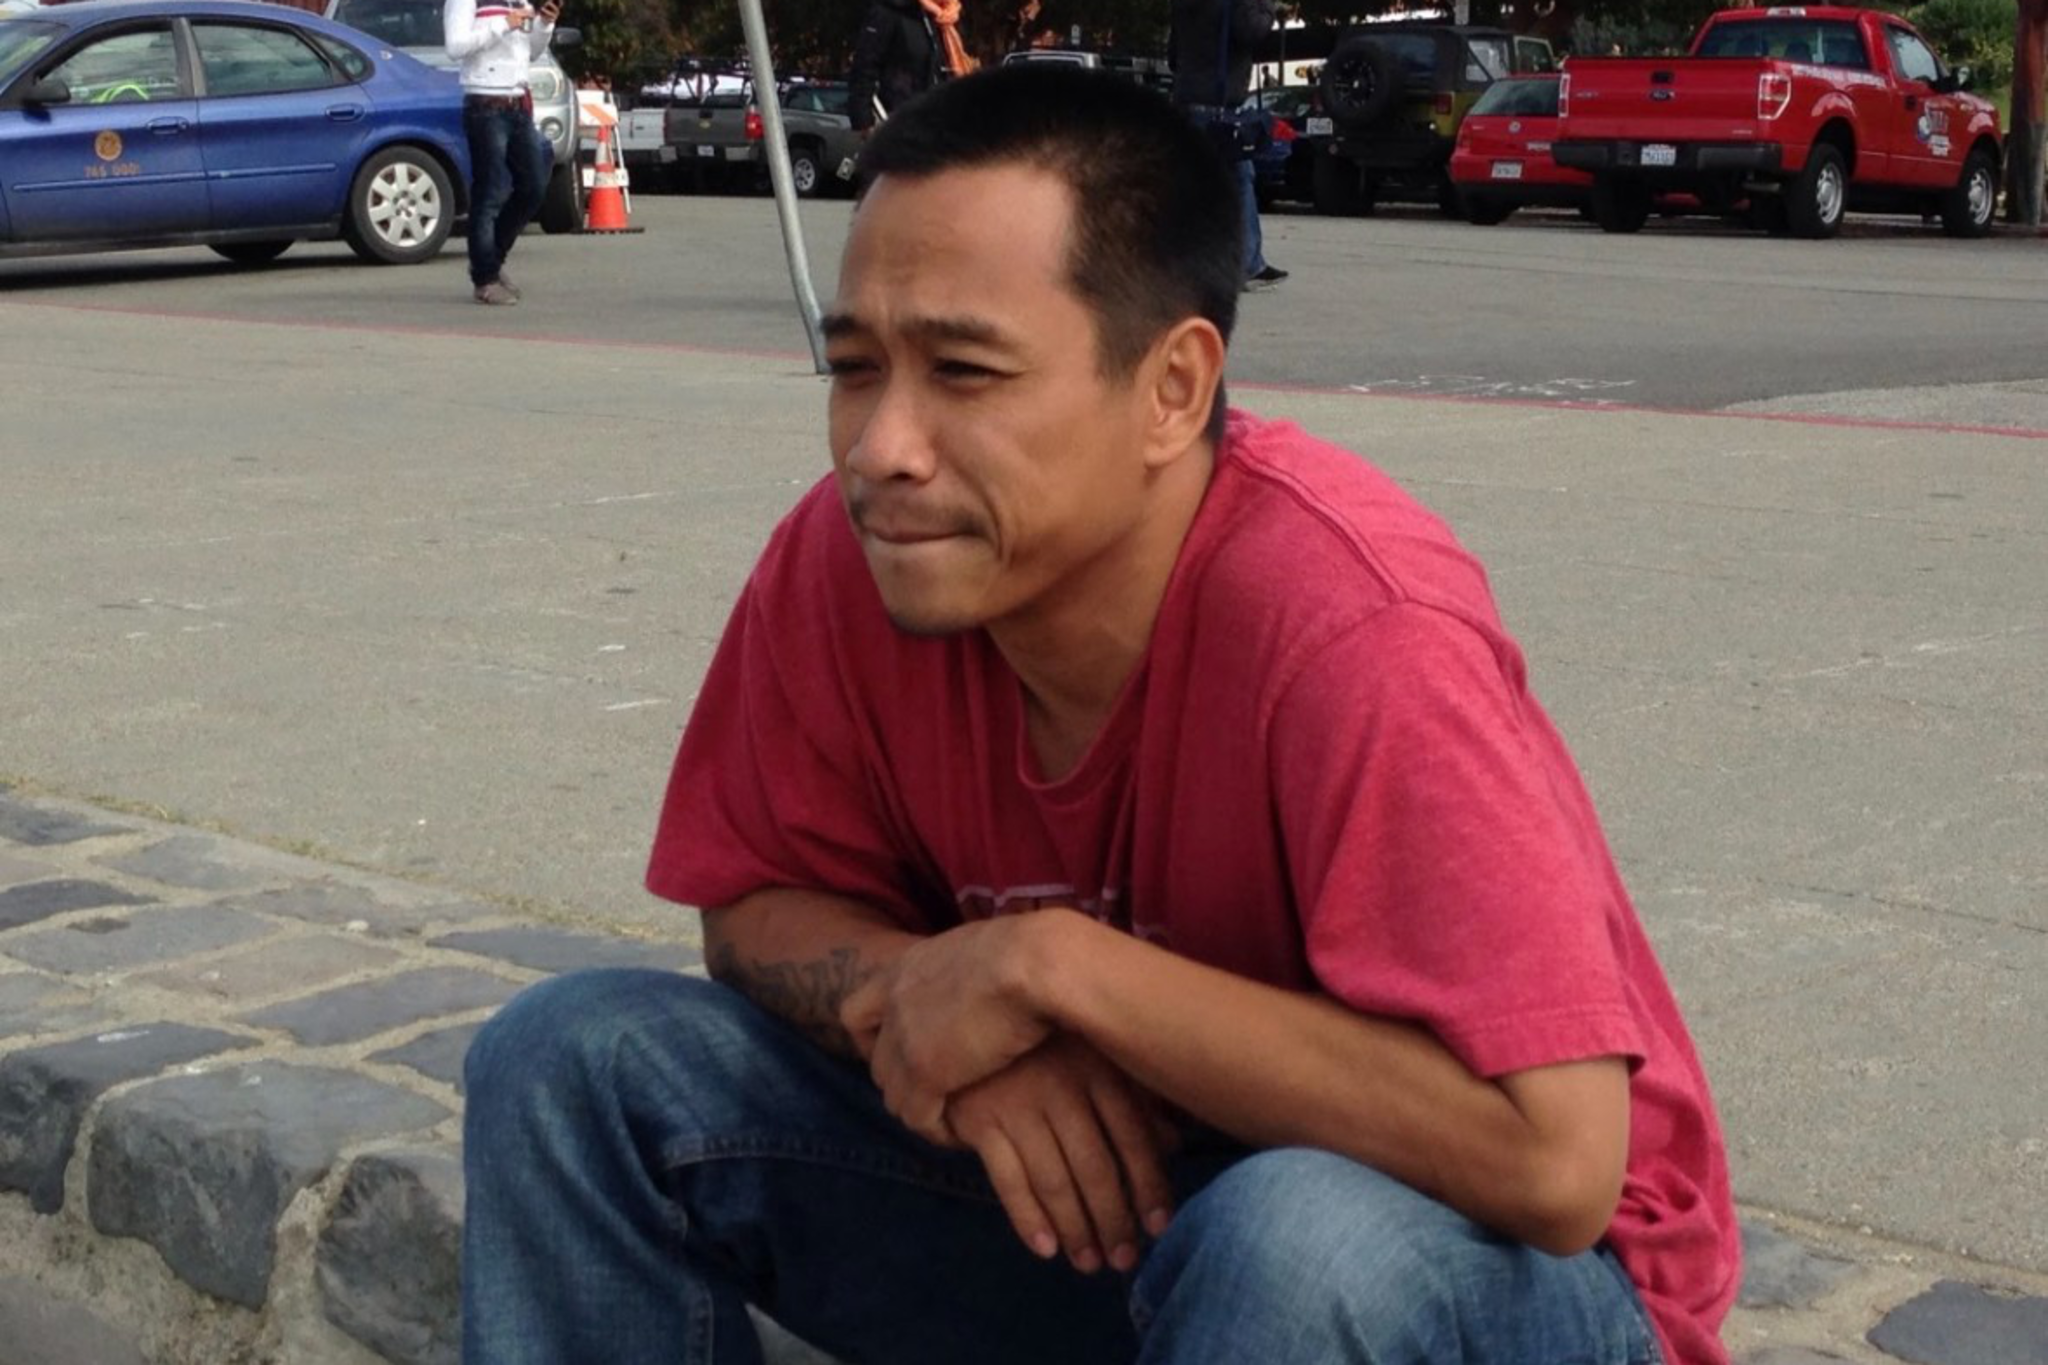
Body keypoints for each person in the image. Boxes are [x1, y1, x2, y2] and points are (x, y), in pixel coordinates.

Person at [460, 63, 1740, 1365]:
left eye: (965, 372)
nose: (882, 446)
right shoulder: (865, 553)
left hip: (1494, 1284)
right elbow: (751, 909)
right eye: (855, 368)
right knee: (570, 1065)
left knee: (1293, 1241)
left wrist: (1056, 971)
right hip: (1106, 1224)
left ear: (1173, 390)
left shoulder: (1354, 624)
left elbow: (1557, 1160)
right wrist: (936, 1010)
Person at [444, 0, 560, 306]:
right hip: (485, 104)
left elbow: (531, 52)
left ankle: (491, 260)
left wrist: (545, 25)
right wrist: (503, 24)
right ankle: (485, 278)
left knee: (533, 186)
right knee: (490, 191)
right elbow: (455, 46)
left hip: (517, 103)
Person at [1171, 0, 1286, 289]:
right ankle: (1243, 263)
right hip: (1218, 107)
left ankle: (1242, 261)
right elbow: (1251, 31)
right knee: (1236, 180)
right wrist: (1268, 7)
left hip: (1188, 102)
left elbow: (1172, 55)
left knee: (1213, 181)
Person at [848, 0, 942, 136]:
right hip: (899, 121)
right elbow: (865, 64)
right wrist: (864, 120)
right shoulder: (888, 11)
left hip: (935, 122)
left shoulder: (939, 17)